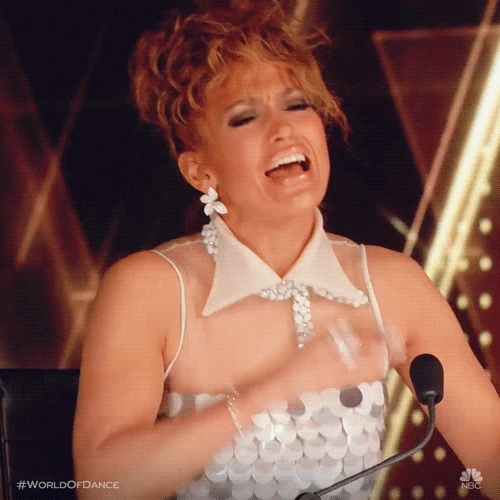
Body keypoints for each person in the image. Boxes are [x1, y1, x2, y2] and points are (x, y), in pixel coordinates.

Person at [72, 3, 500, 499]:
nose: (283, 128)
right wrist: (275, 389)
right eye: (245, 117)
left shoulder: (393, 283)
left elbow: (492, 456)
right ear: (200, 171)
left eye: (297, 105)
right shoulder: (149, 288)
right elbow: (101, 485)